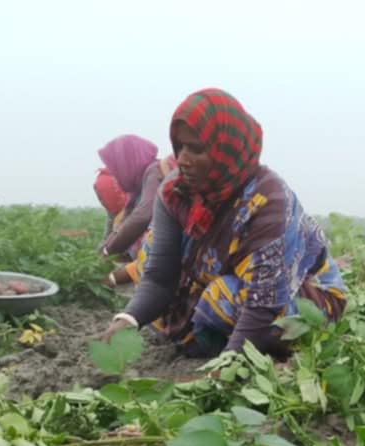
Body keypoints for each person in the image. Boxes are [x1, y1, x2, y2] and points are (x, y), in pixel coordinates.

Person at [101, 89, 347, 359]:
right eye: (180, 146)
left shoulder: (267, 200)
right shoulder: (175, 193)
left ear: (225, 150)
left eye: (196, 149)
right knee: (167, 307)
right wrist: (129, 318)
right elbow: (161, 278)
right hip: (235, 285)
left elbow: (262, 304)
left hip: (301, 296)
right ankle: (223, 340)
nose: (182, 159)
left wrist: (225, 371)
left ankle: (259, 351)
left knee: (222, 298)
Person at [96, 135, 175, 288]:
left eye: (116, 168)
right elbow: (124, 223)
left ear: (127, 163)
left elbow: (142, 217)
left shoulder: (154, 173)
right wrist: (104, 249)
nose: (116, 174)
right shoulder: (138, 188)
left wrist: (107, 251)